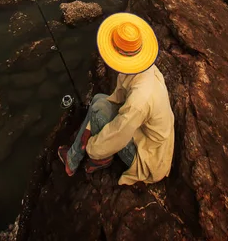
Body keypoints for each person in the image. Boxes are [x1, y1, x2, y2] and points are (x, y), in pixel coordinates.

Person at [58, 13, 175, 185]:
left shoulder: (140, 98)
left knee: (98, 112)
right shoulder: (143, 69)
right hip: (142, 131)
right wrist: (90, 128)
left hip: (149, 155)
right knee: (98, 99)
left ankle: (92, 159)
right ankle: (73, 157)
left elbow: (119, 133)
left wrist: (91, 146)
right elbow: (117, 100)